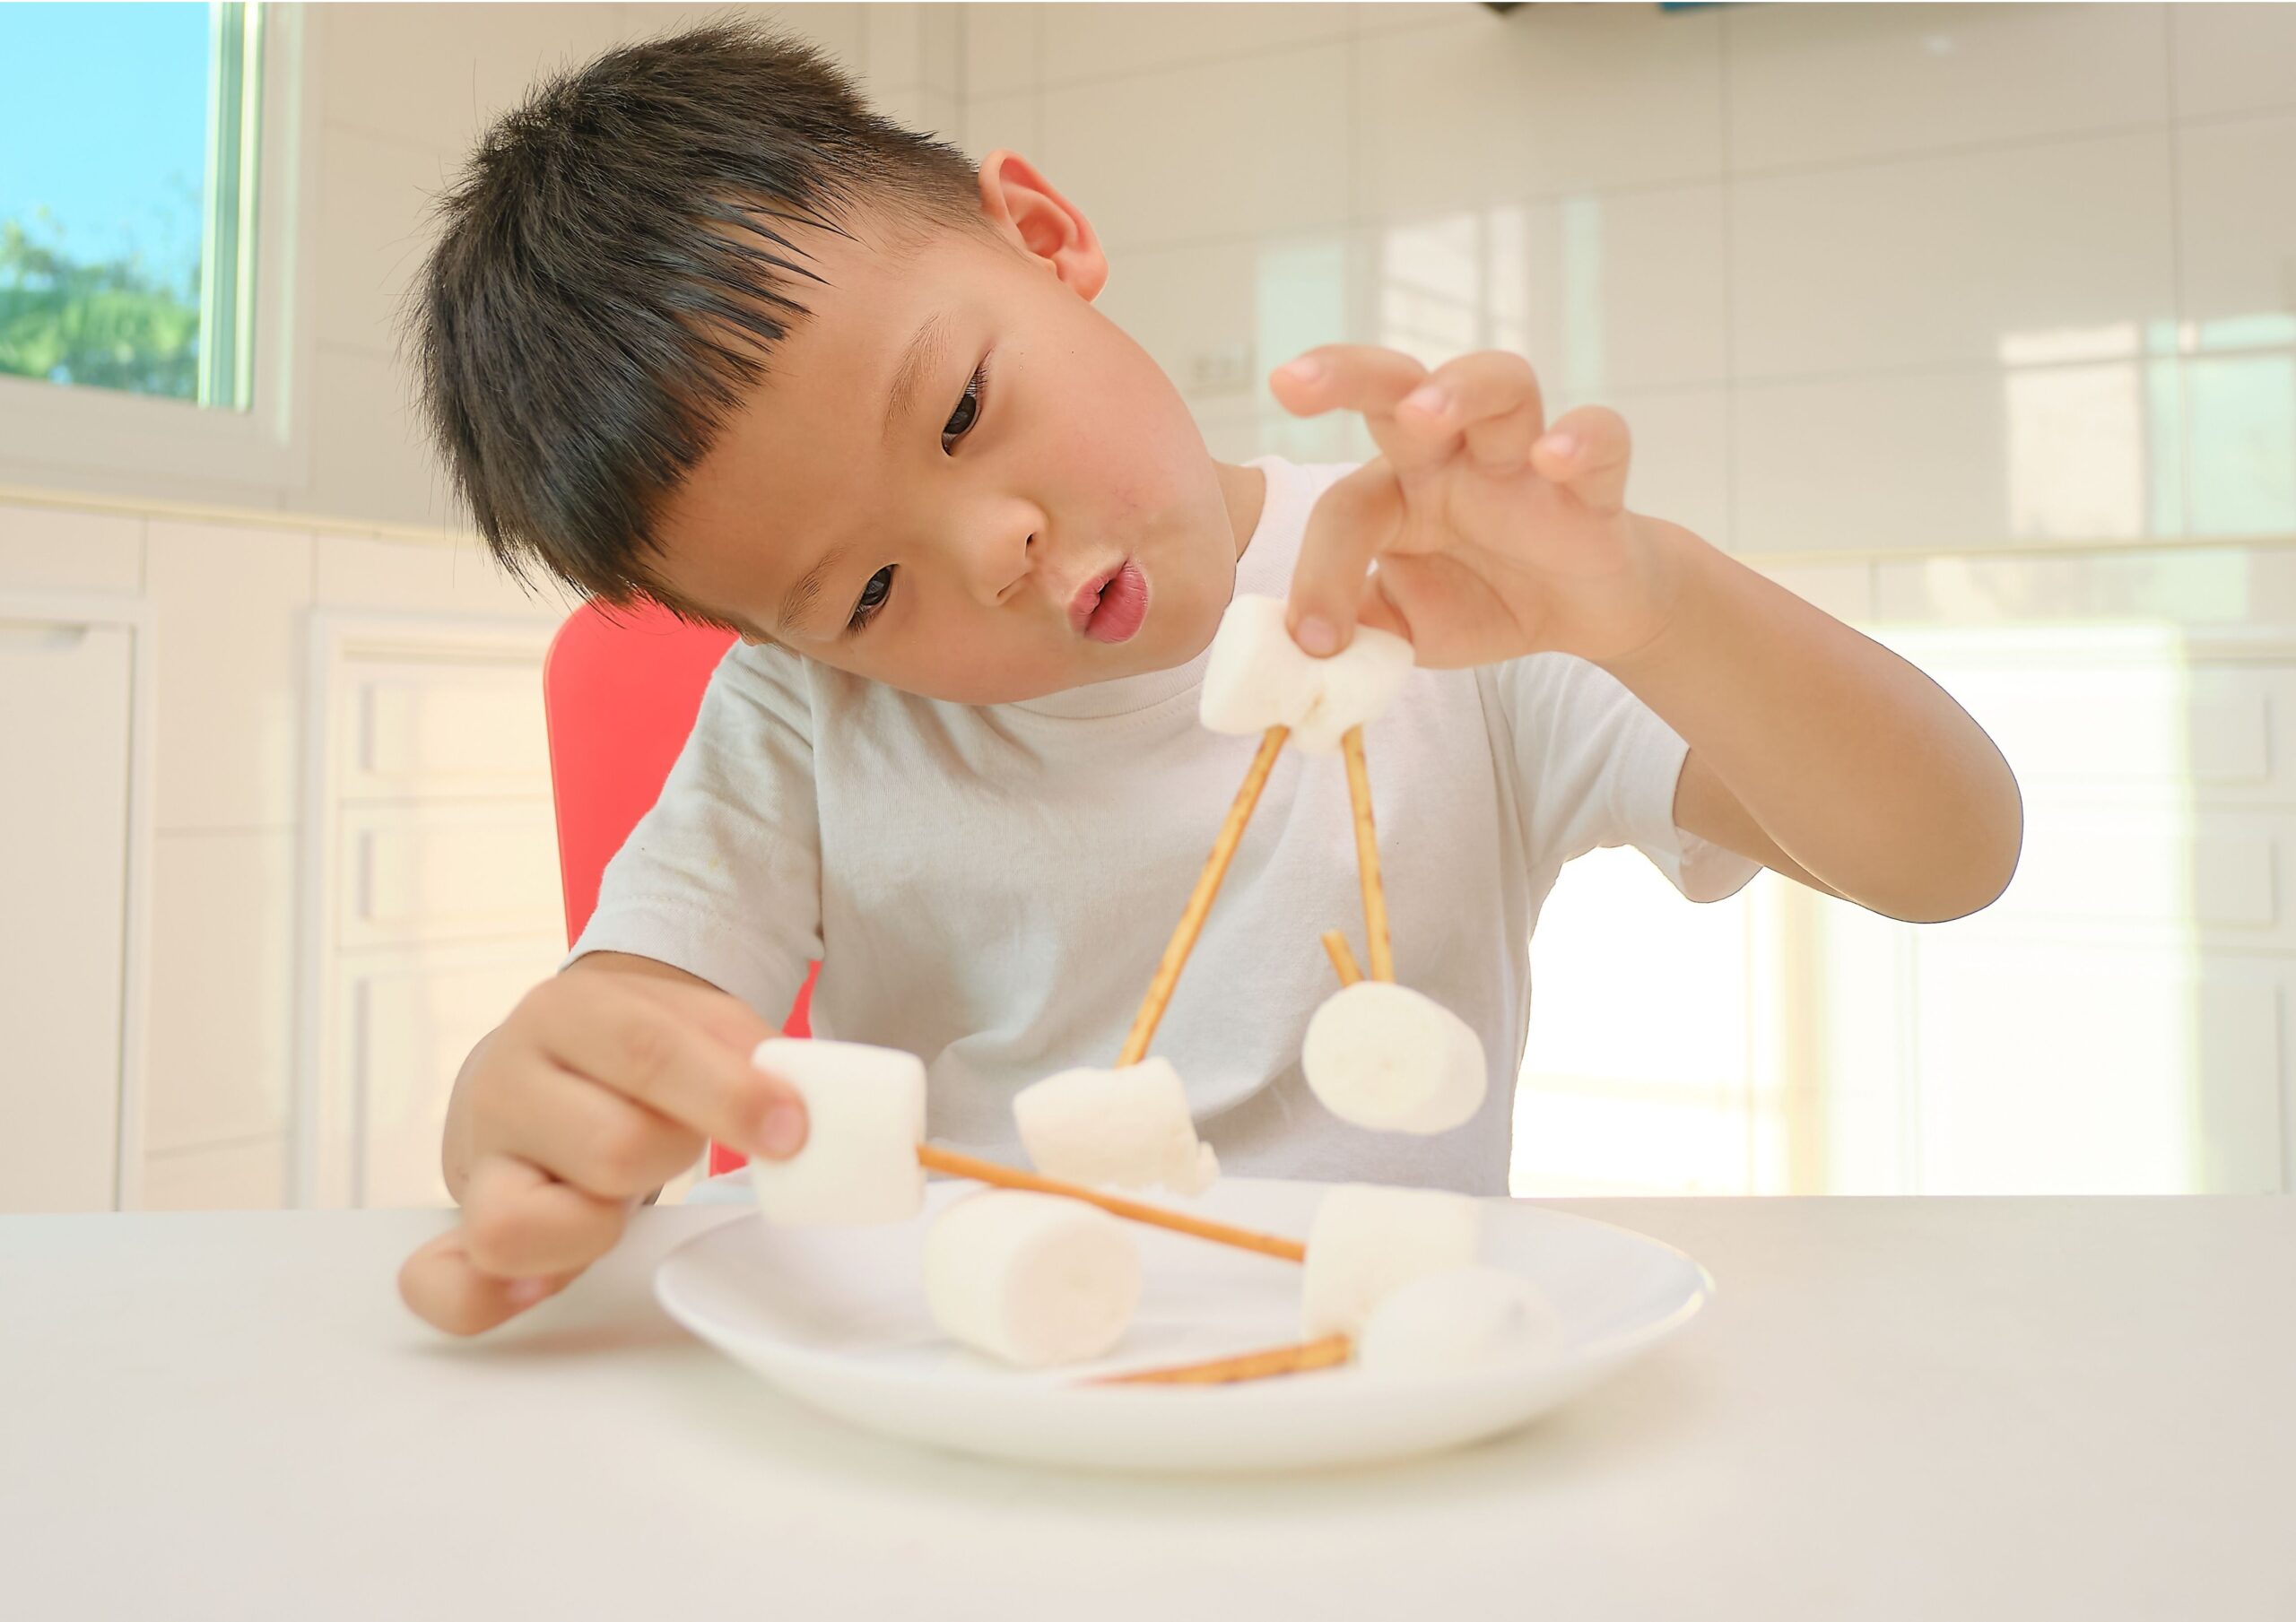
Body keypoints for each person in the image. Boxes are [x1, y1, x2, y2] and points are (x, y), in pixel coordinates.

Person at [395, 24, 2021, 1335]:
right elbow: (635, 1012)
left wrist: (1647, 603)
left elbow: (1954, 854)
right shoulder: (807, 717)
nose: (996, 546)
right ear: (785, 640)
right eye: (870, 592)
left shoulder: (1442, 597)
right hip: (987, 1383)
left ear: (1039, 237)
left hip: (1377, 1386)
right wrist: (529, 1112)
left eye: (961, 411)